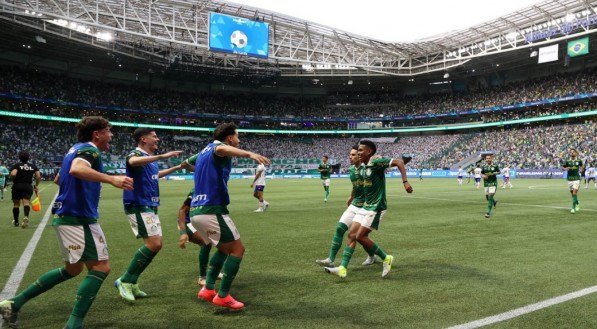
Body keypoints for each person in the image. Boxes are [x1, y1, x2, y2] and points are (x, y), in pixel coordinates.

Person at [0, 116, 134, 329]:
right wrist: (112, 179)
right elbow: (76, 170)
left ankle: (13, 303)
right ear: (96, 134)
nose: (112, 135)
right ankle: (73, 325)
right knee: (100, 268)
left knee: (72, 270)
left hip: (67, 216)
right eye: (109, 130)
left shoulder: (74, 149)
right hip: (79, 217)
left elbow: (58, 179)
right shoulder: (90, 150)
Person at [181, 123, 269, 310]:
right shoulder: (217, 148)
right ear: (229, 138)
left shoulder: (204, 151)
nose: (239, 140)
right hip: (212, 209)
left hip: (196, 211)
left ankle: (208, 289)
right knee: (237, 250)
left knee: (223, 250)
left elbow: (185, 164)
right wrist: (249, 154)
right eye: (237, 137)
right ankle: (223, 296)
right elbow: (220, 148)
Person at [324, 140, 413, 279]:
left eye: (360, 151)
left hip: (377, 207)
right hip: (365, 206)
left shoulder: (376, 163)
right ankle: (342, 268)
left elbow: (399, 162)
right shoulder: (363, 166)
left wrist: (405, 182)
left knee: (360, 236)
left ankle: (386, 258)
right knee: (352, 235)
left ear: (369, 152)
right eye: (357, 151)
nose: (358, 153)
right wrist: (352, 197)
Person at [115, 128, 182, 302]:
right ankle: (125, 280)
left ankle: (132, 281)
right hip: (138, 204)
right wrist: (163, 156)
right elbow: (133, 161)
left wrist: (177, 167)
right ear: (143, 139)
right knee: (154, 243)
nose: (157, 139)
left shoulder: (150, 161)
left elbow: (155, 175)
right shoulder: (136, 153)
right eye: (154, 137)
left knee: (156, 244)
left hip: (150, 205)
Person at [316, 145, 376, 267]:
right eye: (350, 154)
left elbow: (373, 187)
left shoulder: (368, 169)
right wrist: (351, 196)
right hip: (355, 204)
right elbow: (356, 186)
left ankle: (372, 255)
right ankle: (330, 259)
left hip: (365, 207)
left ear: (360, 156)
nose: (350, 157)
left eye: (353, 155)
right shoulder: (352, 170)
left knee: (360, 237)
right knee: (339, 228)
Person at [177, 188, 223, 286]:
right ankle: (202, 277)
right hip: (188, 223)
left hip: (203, 222)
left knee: (223, 243)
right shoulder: (197, 190)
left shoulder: (217, 188)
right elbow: (182, 210)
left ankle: (213, 271)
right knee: (205, 243)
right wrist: (183, 232)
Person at [9, 151, 41, 228]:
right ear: (28, 157)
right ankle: (26, 216)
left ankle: (16, 222)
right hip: (27, 186)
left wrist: (13, 180)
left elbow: (13, 174)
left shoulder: (17, 165)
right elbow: (38, 176)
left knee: (16, 204)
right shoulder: (33, 166)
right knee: (26, 203)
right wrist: (36, 185)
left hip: (17, 185)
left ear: (19, 157)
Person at [562, 149, 583, 214]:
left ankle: (573, 208)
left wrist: (581, 170)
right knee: (573, 194)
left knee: (574, 193)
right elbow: (563, 168)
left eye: (573, 152)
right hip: (569, 179)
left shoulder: (579, 160)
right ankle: (577, 202)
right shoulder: (567, 161)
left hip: (576, 179)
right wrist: (565, 169)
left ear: (576, 153)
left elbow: (582, 166)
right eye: (571, 152)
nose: (572, 153)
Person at [481, 154, 500, 219]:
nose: (488, 159)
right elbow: (481, 173)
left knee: (490, 195)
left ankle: (488, 212)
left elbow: (499, 172)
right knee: (487, 197)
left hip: (493, 182)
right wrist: (483, 176)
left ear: (491, 159)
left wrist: (496, 173)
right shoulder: (484, 166)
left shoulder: (495, 166)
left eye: (489, 158)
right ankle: (494, 202)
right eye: (487, 158)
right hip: (486, 183)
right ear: (485, 159)